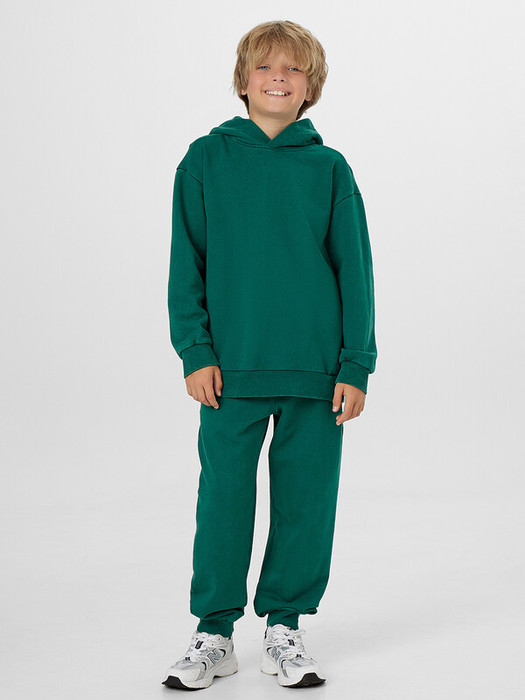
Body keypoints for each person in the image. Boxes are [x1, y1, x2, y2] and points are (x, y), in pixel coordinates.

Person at [162, 19, 377, 690]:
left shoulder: (329, 169)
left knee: (305, 503)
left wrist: (355, 363)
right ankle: (215, 633)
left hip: (317, 372)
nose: (278, 77)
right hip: (229, 371)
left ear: (310, 86)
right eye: (264, 66)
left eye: (293, 68)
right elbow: (186, 265)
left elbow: (355, 272)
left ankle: (285, 625)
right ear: (243, 80)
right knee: (223, 500)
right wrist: (195, 350)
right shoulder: (205, 160)